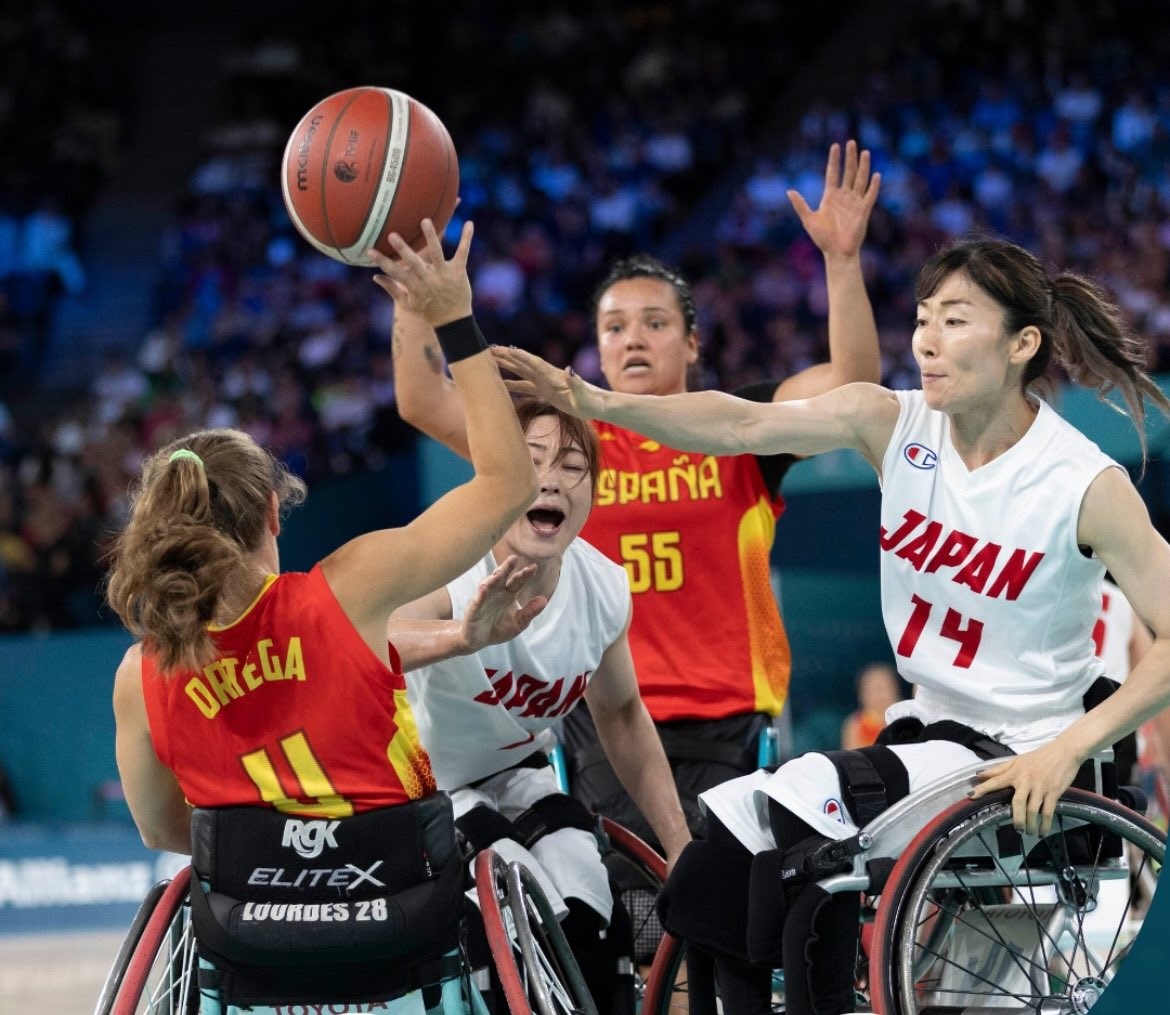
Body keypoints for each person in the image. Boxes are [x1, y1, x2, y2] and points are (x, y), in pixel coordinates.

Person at [494, 234, 1170, 1015]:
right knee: (720, 851)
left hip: (1023, 752)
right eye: (922, 318)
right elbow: (740, 424)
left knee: (797, 813)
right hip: (929, 737)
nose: (925, 340)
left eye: (954, 320)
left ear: (1023, 343)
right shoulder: (894, 423)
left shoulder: (1083, 481)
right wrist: (594, 402)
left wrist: (1068, 748)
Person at [107, 220, 539, 1012]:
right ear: (275, 510)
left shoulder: (143, 672)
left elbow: (166, 832)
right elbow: (512, 484)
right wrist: (454, 318)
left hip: (252, 946)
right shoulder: (348, 588)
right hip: (404, 922)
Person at [405, 140, 880, 852]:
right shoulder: (563, 446)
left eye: (656, 324)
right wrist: (419, 295)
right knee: (632, 914)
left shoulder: (739, 426)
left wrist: (842, 263)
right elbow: (420, 398)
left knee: (723, 908)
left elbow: (854, 389)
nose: (634, 339)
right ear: (595, 349)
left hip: (729, 715)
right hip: (603, 714)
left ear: (692, 343)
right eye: (614, 327)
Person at [385, 355, 690, 1009]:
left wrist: (679, 845)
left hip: (513, 772)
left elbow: (624, 713)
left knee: (586, 897)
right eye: (531, 460)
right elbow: (366, 646)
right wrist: (461, 637)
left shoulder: (603, 586)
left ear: (592, 491)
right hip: (415, 783)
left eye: (573, 468)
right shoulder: (454, 560)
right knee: (522, 895)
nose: (551, 480)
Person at [840, 661, 903, 750]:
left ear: (896, 690)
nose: (879, 695)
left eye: (882, 688)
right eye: (872, 690)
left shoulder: (909, 719)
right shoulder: (854, 725)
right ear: (861, 695)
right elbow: (850, 759)